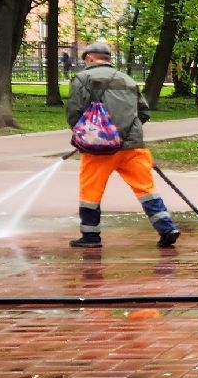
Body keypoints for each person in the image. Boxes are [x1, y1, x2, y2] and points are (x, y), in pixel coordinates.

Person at [65, 42, 180, 249]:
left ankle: (91, 237)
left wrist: (87, 135)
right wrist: (127, 131)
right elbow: (144, 112)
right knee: (146, 189)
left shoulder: (82, 79)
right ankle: (167, 228)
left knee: (90, 192)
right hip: (134, 147)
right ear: (108, 58)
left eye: (85, 60)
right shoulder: (127, 79)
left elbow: (74, 113)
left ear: (90, 58)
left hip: (100, 150)